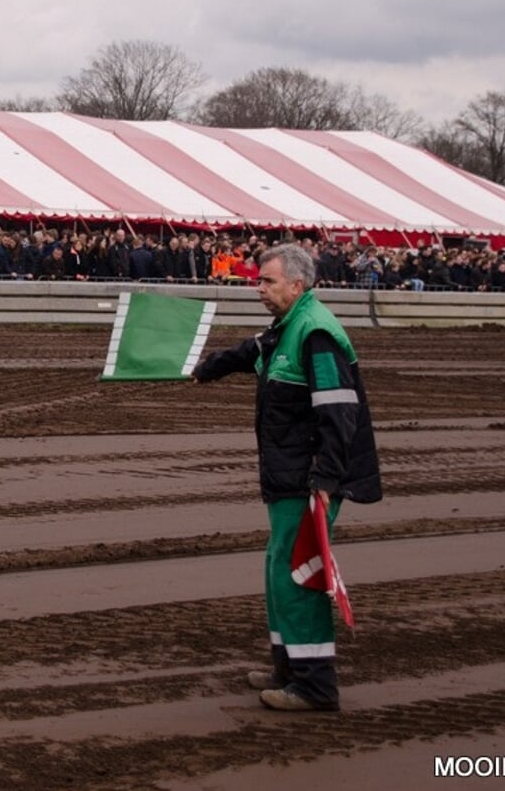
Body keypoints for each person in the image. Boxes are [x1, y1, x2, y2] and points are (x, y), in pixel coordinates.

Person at [192, 243, 382, 713]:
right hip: (286, 476)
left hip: (308, 480)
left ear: (297, 285)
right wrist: (209, 368)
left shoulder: (316, 333)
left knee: (299, 577)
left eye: (267, 281)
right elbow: (253, 350)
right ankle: (288, 666)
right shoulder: (289, 325)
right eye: (258, 280)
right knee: (280, 572)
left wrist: (326, 479)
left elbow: (340, 414)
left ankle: (316, 684)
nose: (258, 288)